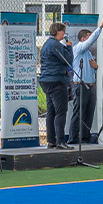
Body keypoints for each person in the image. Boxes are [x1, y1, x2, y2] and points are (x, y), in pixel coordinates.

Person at [68, 17, 103, 145]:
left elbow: (91, 67)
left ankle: (85, 139)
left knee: (89, 114)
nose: (91, 41)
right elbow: (91, 40)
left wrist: (95, 67)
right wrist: (101, 27)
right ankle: (73, 139)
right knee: (78, 113)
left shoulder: (89, 54)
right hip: (80, 85)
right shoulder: (78, 48)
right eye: (89, 37)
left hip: (90, 86)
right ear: (83, 39)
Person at [38, 22, 74, 150]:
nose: (64, 34)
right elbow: (68, 60)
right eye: (63, 32)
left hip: (46, 80)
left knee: (51, 111)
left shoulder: (46, 44)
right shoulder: (55, 45)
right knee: (61, 111)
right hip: (56, 80)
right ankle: (60, 141)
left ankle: (51, 141)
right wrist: (69, 47)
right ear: (58, 32)